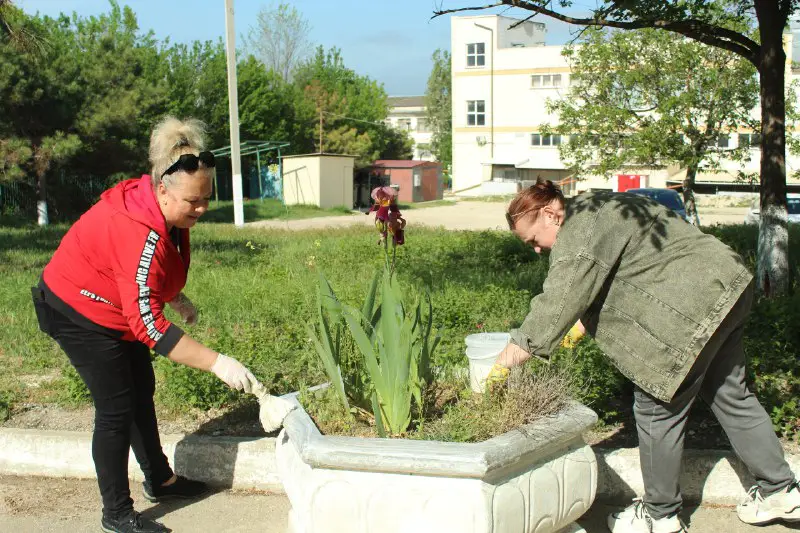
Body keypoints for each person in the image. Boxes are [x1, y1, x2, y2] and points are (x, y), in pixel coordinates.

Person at [30, 117, 295, 533]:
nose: (202, 208)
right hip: (75, 309)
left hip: (111, 305)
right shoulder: (137, 227)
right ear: (162, 190)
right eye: (194, 201)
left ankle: (160, 479)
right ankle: (116, 513)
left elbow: (147, 274)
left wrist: (176, 296)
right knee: (117, 407)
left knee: (141, 389)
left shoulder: (166, 211)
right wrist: (218, 362)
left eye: (206, 197)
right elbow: (149, 327)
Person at [490, 180, 799, 533]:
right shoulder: (602, 204)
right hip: (725, 288)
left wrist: (507, 359)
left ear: (550, 214)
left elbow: (558, 299)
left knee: (656, 410)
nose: (536, 250)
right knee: (731, 393)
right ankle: (781, 491)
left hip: (687, 312)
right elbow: (632, 265)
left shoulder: (577, 233)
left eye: (533, 239)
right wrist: (581, 323)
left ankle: (659, 516)